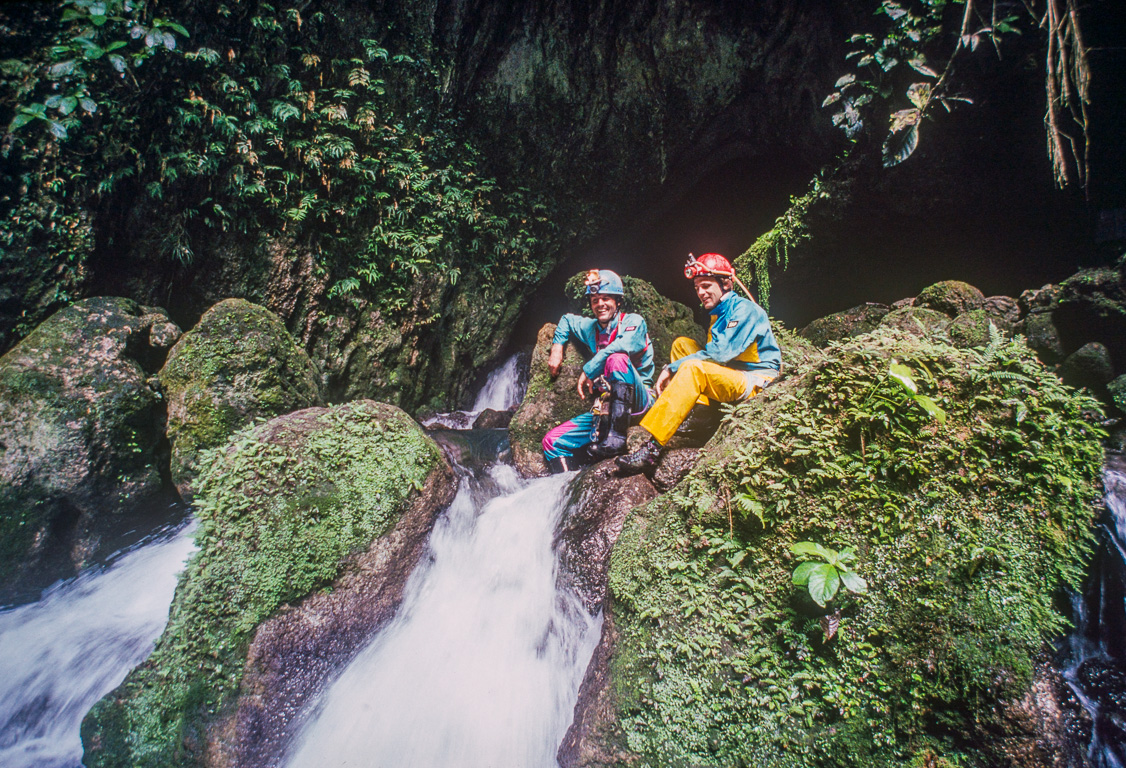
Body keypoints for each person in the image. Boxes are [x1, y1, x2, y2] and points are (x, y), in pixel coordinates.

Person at [616, 253, 781, 475]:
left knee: (693, 368)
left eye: (706, 286)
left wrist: (671, 368)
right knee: (682, 345)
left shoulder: (743, 310)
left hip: (756, 380)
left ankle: (652, 449)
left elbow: (720, 353)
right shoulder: (720, 311)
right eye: (697, 288)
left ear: (725, 283)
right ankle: (702, 415)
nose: (701, 293)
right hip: (733, 372)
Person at [542, 269, 656, 473]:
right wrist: (557, 348)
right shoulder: (591, 328)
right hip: (606, 408)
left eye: (606, 298)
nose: (600, 304)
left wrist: (590, 368)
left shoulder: (634, 322)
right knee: (552, 442)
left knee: (617, 359)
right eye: (595, 300)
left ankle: (616, 440)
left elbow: (624, 345)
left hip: (640, 402)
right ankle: (567, 489)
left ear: (618, 301)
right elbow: (567, 320)